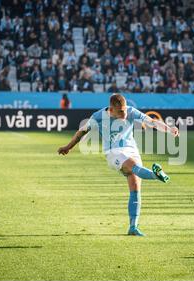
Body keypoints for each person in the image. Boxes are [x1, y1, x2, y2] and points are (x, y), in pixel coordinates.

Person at [57, 94, 179, 236]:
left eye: (125, 110)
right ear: (111, 110)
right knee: (133, 166)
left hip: (132, 150)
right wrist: (68, 147)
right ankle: (155, 175)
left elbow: (152, 121)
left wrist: (169, 129)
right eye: (120, 111)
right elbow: (81, 131)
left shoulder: (131, 111)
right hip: (113, 152)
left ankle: (133, 227)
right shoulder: (98, 116)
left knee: (135, 187)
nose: (124, 113)